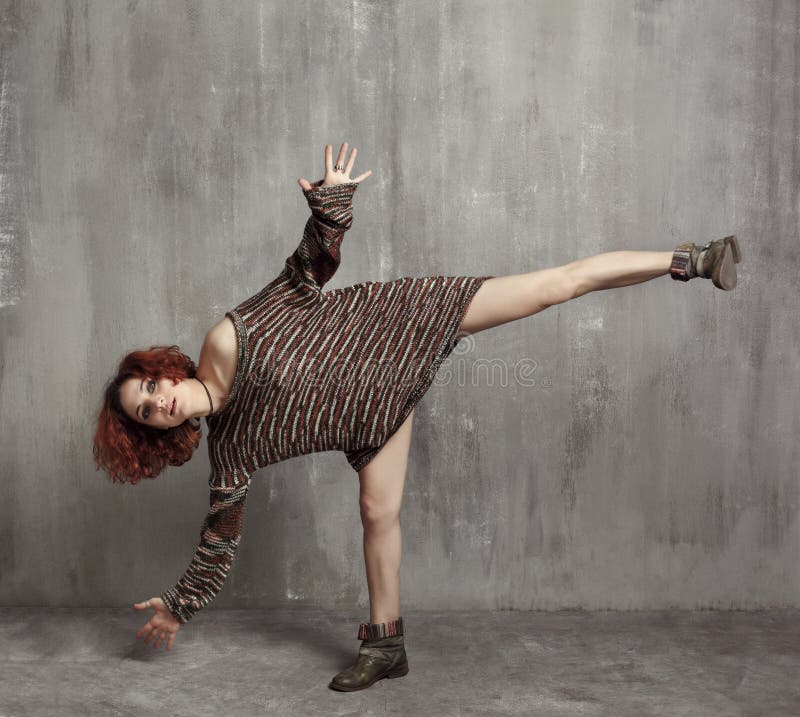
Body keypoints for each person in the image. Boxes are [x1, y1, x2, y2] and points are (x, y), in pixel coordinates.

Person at [93, 141, 742, 692]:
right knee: (378, 514)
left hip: (395, 324)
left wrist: (331, 206)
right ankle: (386, 644)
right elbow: (218, 543)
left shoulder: (226, 339)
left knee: (556, 285)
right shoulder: (230, 451)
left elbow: (306, 273)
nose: (158, 401)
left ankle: (693, 259)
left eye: (152, 385)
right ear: (154, 432)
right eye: (146, 411)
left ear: (167, 369)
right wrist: (179, 607)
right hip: (375, 416)